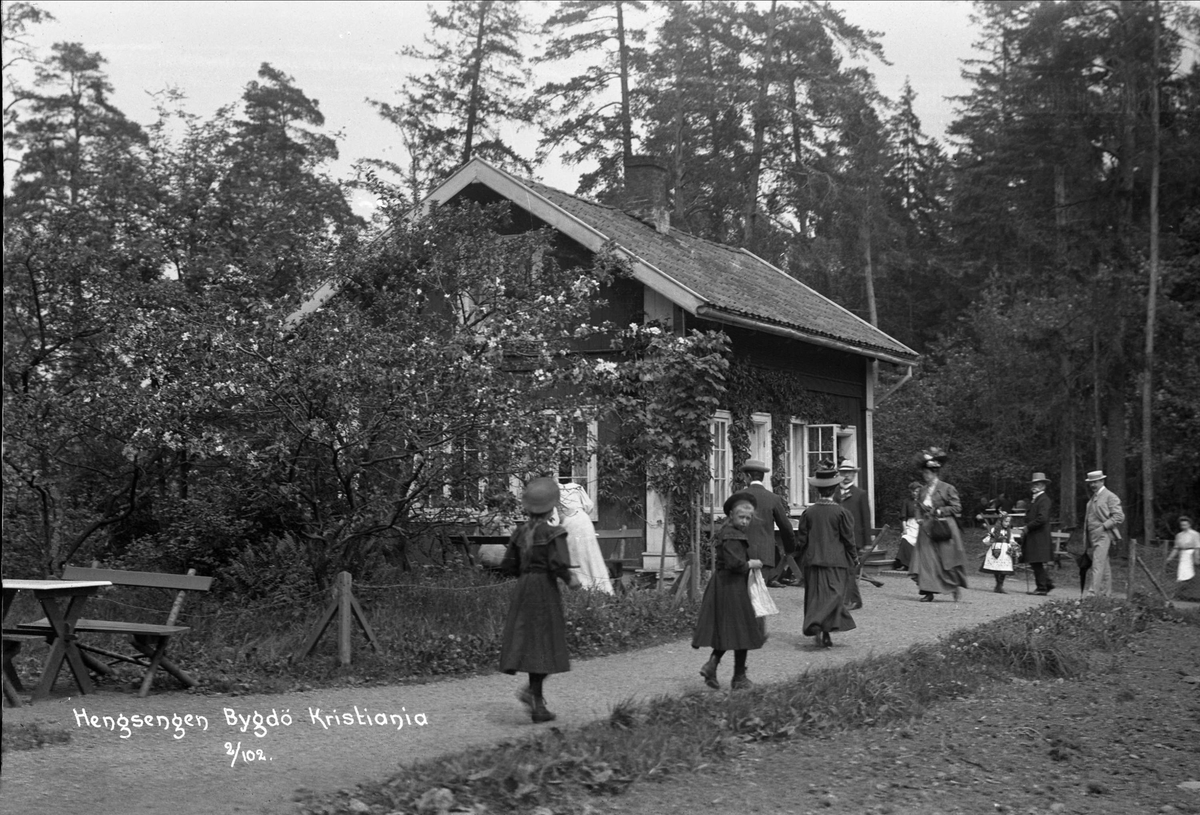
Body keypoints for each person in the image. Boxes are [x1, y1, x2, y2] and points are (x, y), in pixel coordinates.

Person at [499, 477, 582, 723]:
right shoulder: (553, 532)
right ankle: (533, 697)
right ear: (552, 506)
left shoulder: (519, 532)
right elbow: (557, 564)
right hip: (544, 589)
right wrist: (570, 579)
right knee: (546, 642)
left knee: (530, 642)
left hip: (524, 589)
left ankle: (536, 700)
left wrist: (525, 573)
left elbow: (508, 566)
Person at [693, 490, 766, 690]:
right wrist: (751, 563)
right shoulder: (732, 536)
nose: (744, 521)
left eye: (748, 518)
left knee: (731, 630)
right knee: (742, 629)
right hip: (731, 586)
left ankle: (713, 666)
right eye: (741, 517)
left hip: (727, 585)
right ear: (731, 516)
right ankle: (738, 677)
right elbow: (735, 564)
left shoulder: (730, 532)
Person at [795, 461, 858, 647]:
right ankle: (819, 626)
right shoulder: (841, 513)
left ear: (817, 490)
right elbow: (848, 539)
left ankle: (822, 631)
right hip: (836, 561)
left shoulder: (809, 513)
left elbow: (802, 540)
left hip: (813, 561)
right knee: (834, 596)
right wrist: (854, 557)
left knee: (816, 596)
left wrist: (798, 557)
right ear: (835, 488)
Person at [909, 447, 969, 602]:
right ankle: (928, 591)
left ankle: (953, 586)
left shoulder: (947, 488)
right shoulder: (922, 490)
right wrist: (918, 518)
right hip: (926, 529)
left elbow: (957, 507)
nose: (925, 475)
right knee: (926, 559)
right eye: (924, 473)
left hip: (943, 527)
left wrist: (941, 510)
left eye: (928, 473)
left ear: (935, 473)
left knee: (945, 561)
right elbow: (917, 506)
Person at [740, 459, 797, 587]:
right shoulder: (773, 498)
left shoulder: (739, 496)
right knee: (759, 595)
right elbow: (786, 527)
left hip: (741, 554)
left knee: (742, 596)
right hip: (764, 555)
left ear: (748, 476)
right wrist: (789, 549)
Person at [555, 479, 614, 595]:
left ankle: (583, 587)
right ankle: (598, 587)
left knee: (575, 555)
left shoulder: (552, 491)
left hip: (570, 524)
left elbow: (553, 515)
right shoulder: (575, 487)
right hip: (584, 520)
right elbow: (588, 506)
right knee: (590, 554)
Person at [834, 460, 871, 610]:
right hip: (836, 537)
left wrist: (867, 542)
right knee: (841, 568)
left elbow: (866, 518)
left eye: (850, 473)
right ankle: (852, 599)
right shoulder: (834, 493)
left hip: (854, 538)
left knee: (849, 569)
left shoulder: (860, 494)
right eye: (843, 473)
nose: (847, 476)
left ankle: (849, 600)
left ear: (854, 475)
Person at [1083, 470, 1124, 597]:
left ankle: (1092, 593)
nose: (1093, 485)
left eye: (1095, 482)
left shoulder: (1110, 496)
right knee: (1103, 564)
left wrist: (1103, 527)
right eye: (1091, 483)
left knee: (1097, 563)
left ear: (1102, 481)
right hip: (1093, 535)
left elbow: (1119, 516)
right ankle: (1106, 593)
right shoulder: (1094, 496)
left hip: (1104, 535)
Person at [1021, 473, 1055, 595]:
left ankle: (1042, 588)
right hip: (1035, 534)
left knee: (1036, 561)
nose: (1035, 486)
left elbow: (1042, 518)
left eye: (1038, 484)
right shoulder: (1036, 499)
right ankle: (1047, 584)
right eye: (1033, 484)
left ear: (1043, 486)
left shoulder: (1044, 499)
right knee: (1035, 561)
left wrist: (1027, 527)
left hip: (1039, 534)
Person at [980, 513, 1019, 593]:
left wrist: (1014, 544)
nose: (1007, 523)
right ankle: (998, 584)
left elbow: (1011, 540)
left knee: (1004, 568)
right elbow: (988, 540)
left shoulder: (1009, 531)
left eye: (1008, 522)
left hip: (1005, 551)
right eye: (1005, 521)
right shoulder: (995, 529)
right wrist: (991, 538)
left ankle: (1000, 585)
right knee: (996, 567)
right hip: (996, 549)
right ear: (1001, 521)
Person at [893, 481, 922, 570]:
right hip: (910, 524)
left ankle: (918, 564)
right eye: (913, 491)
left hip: (920, 524)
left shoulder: (923, 501)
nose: (914, 493)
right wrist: (904, 528)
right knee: (905, 539)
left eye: (917, 491)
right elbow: (903, 517)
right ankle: (905, 563)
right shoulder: (906, 501)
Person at [1165, 515, 1200, 587]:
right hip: (1183, 555)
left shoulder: (1195, 534)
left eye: (1185, 525)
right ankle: (1182, 591)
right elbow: (1176, 548)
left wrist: (1196, 558)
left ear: (1189, 524)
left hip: (1192, 554)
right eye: (1182, 525)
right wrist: (1169, 558)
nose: (1183, 526)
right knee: (1182, 572)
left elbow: (1197, 547)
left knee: (1193, 573)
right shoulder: (1179, 535)